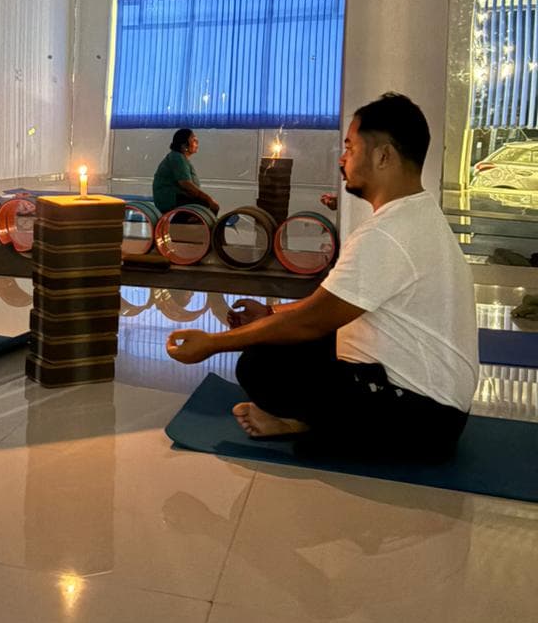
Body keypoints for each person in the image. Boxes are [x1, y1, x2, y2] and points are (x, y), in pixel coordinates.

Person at [166, 93, 479, 460]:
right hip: (437, 410)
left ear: (383, 156)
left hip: (422, 421)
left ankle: (309, 423)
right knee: (286, 338)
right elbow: (329, 306)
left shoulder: (388, 232)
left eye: (350, 147)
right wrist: (270, 313)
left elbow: (312, 320)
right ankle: (302, 421)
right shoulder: (416, 214)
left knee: (261, 365)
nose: (343, 158)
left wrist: (213, 343)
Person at [152, 128, 219, 213]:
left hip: (177, 199)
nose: (197, 141)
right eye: (193, 140)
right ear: (184, 146)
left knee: (207, 205)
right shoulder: (177, 157)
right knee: (209, 205)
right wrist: (209, 199)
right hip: (171, 201)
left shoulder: (180, 158)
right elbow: (185, 184)